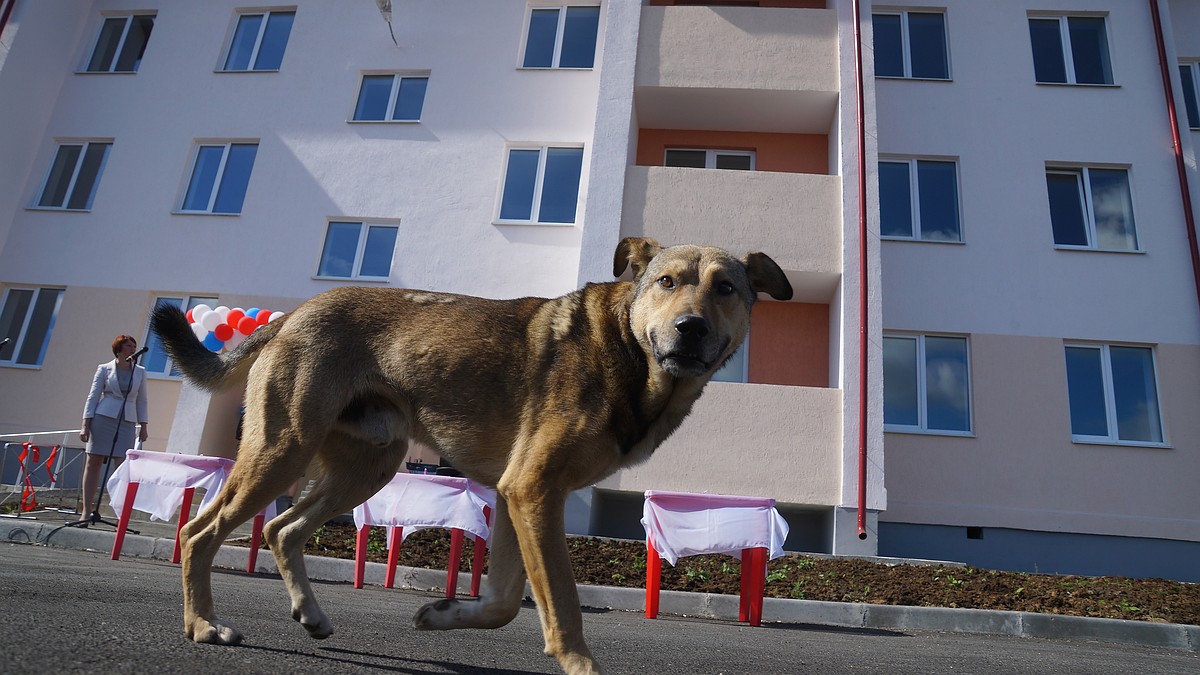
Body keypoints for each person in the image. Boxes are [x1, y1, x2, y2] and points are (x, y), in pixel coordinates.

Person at [78, 335, 149, 521]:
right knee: (93, 462)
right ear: (118, 349)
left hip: (126, 421)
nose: (133, 348)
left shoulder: (140, 372)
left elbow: (142, 401)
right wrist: (85, 425)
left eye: (134, 346)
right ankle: (86, 510)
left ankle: (121, 513)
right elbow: (93, 397)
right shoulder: (104, 369)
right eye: (128, 345)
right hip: (103, 418)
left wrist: (143, 425)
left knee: (123, 466)